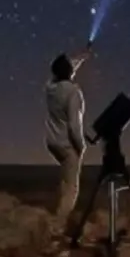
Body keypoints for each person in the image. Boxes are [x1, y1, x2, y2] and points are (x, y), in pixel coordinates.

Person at [43, 46, 92, 230]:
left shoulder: (50, 88)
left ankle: (57, 219)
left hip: (52, 142)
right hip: (68, 144)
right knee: (72, 188)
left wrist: (81, 58)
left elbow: (63, 72)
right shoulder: (73, 93)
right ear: (70, 72)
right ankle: (57, 226)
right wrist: (81, 146)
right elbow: (74, 124)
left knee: (64, 182)